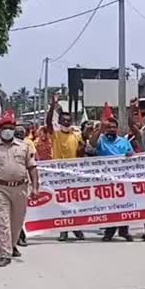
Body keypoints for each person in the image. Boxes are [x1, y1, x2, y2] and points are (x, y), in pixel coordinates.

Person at [0, 115, 39, 267]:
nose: (8, 131)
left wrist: (36, 187)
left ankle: (12, 245)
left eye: (11, 129)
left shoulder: (24, 146)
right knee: (3, 221)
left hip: (20, 188)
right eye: (5, 128)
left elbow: (32, 167)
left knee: (17, 221)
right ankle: (4, 253)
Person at [46, 97, 86, 241]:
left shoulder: (77, 135)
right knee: (61, 203)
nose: (67, 122)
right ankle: (63, 230)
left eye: (69, 120)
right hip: (58, 174)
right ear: (60, 121)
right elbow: (48, 123)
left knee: (75, 203)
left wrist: (82, 147)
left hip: (74, 174)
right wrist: (52, 106)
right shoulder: (55, 134)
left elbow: (81, 153)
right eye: (64, 120)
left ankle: (77, 229)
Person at [89, 118, 134, 242]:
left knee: (124, 205)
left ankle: (124, 231)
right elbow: (92, 143)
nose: (111, 129)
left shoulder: (124, 141)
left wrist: (130, 154)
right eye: (109, 127)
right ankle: (109, 231)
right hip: (106, 179)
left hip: (122, 179)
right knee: (110, 205)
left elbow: (132, 154)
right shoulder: (101, 140)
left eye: (113, 127)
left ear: (117, 128)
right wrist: (100, 129)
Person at [14, 124, 35, 248]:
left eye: (21, 134)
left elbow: (32, 163)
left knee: (21, 212)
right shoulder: (5, 146)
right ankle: (14, 238)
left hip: (24, 182)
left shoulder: (28, 145)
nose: (19, 136)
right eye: (16, 133)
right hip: (8, 184)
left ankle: (20, 236)